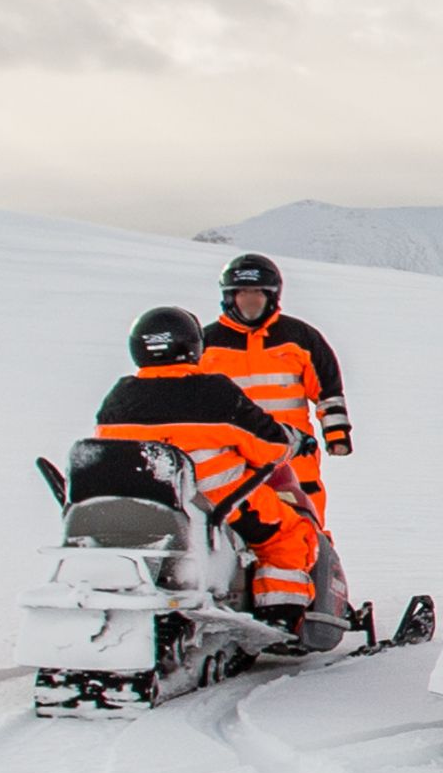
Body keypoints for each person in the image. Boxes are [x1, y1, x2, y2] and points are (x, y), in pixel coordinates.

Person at [95, 305, 331, 644]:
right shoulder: (213, 392)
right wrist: (294, 440)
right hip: (212, 502)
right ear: (193, 346)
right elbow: (268, 446)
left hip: (136, 504)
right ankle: (281, 619)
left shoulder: (119, 397)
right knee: (290, 533)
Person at [197, 252, 353, 523]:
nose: (250, 301)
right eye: (243, 293)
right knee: (230, 524)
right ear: (229, 296)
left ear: (272, 295)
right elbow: (187, 395)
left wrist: (336, 434)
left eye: (258, 293)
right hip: (229, 456)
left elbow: (328, 391)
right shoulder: (205, 342)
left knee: (305, 523)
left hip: (292, 453)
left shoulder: (300, 337)